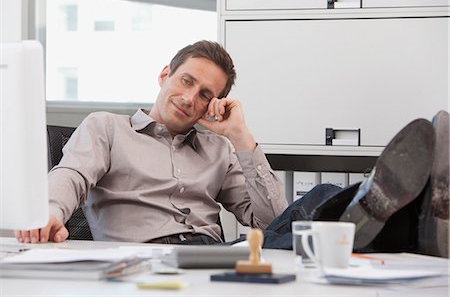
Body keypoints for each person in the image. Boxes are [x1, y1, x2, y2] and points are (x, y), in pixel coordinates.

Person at [15, 40, 288, 245]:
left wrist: (240, 137)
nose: (189, 98)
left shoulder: (219, 150)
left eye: (205, 95)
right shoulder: (106, 128)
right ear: (164, 75)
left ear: (212, 106)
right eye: (186, 81)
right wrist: (48, 213)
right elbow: (72, 175)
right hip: (140, 260)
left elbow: (274, 224)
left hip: (209, 260)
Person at [262, 111, 449, 258]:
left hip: (264, 235)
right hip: (241, 249)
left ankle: (398, 226)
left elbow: (268, 216)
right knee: (263, 240)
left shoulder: (235, 147)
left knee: (324, 193)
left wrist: (243, 140)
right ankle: (408, 225)